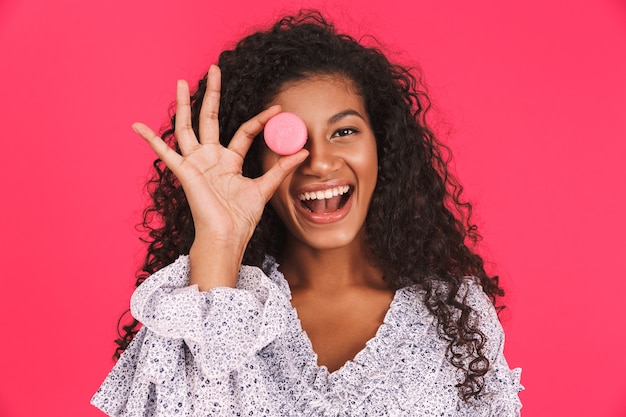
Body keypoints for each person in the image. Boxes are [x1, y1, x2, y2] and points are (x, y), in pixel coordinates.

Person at [91, 10, 522, 416]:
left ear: (382, 147)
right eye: (288, 140)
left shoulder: (455, 315)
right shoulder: (194, 315)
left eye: (345, 131)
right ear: (254, 161)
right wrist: (219, 241)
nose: (318, 162)